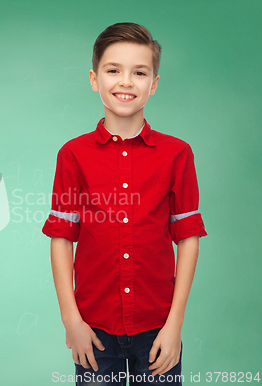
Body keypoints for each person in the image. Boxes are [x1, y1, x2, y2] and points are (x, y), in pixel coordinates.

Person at [41, 22, 207, 386]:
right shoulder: (73, 155)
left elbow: (188, 237)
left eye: (140, 72)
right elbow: (62, 237)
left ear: (155, 83)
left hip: (157, 326)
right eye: (113, 70)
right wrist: (72, 320)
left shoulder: (177, 154)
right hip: (94, 328)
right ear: (94, 78)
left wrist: (174, 324)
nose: (126, 82)